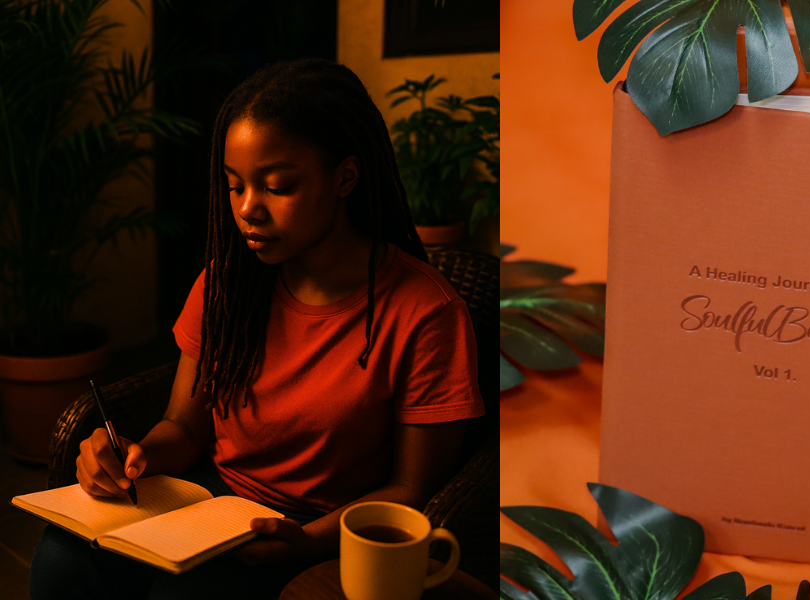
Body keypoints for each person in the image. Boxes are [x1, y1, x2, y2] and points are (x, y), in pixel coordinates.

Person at [29, 58, 484, 600]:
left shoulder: (425, 312)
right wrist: (133, 455)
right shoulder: (228, 283)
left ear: (345, 176)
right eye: (234, 185)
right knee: (60, 560)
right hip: (207, 504)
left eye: (278, 186)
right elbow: (184, 426)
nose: (248, 210)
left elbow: (413, 488)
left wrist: (307, 541)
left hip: (319, 528)